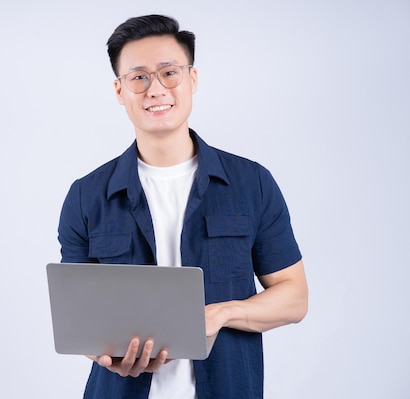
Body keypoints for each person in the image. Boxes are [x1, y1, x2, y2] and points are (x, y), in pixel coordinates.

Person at [57, 14, 308, 399]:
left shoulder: (251, 183)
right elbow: (78, 318)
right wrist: (106, 353)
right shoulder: (86, 196)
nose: (155, 89)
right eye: (138, 77)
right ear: (119, 90)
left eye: (169, 73)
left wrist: (220, 314)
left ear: (192, 79)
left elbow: (294, 297)